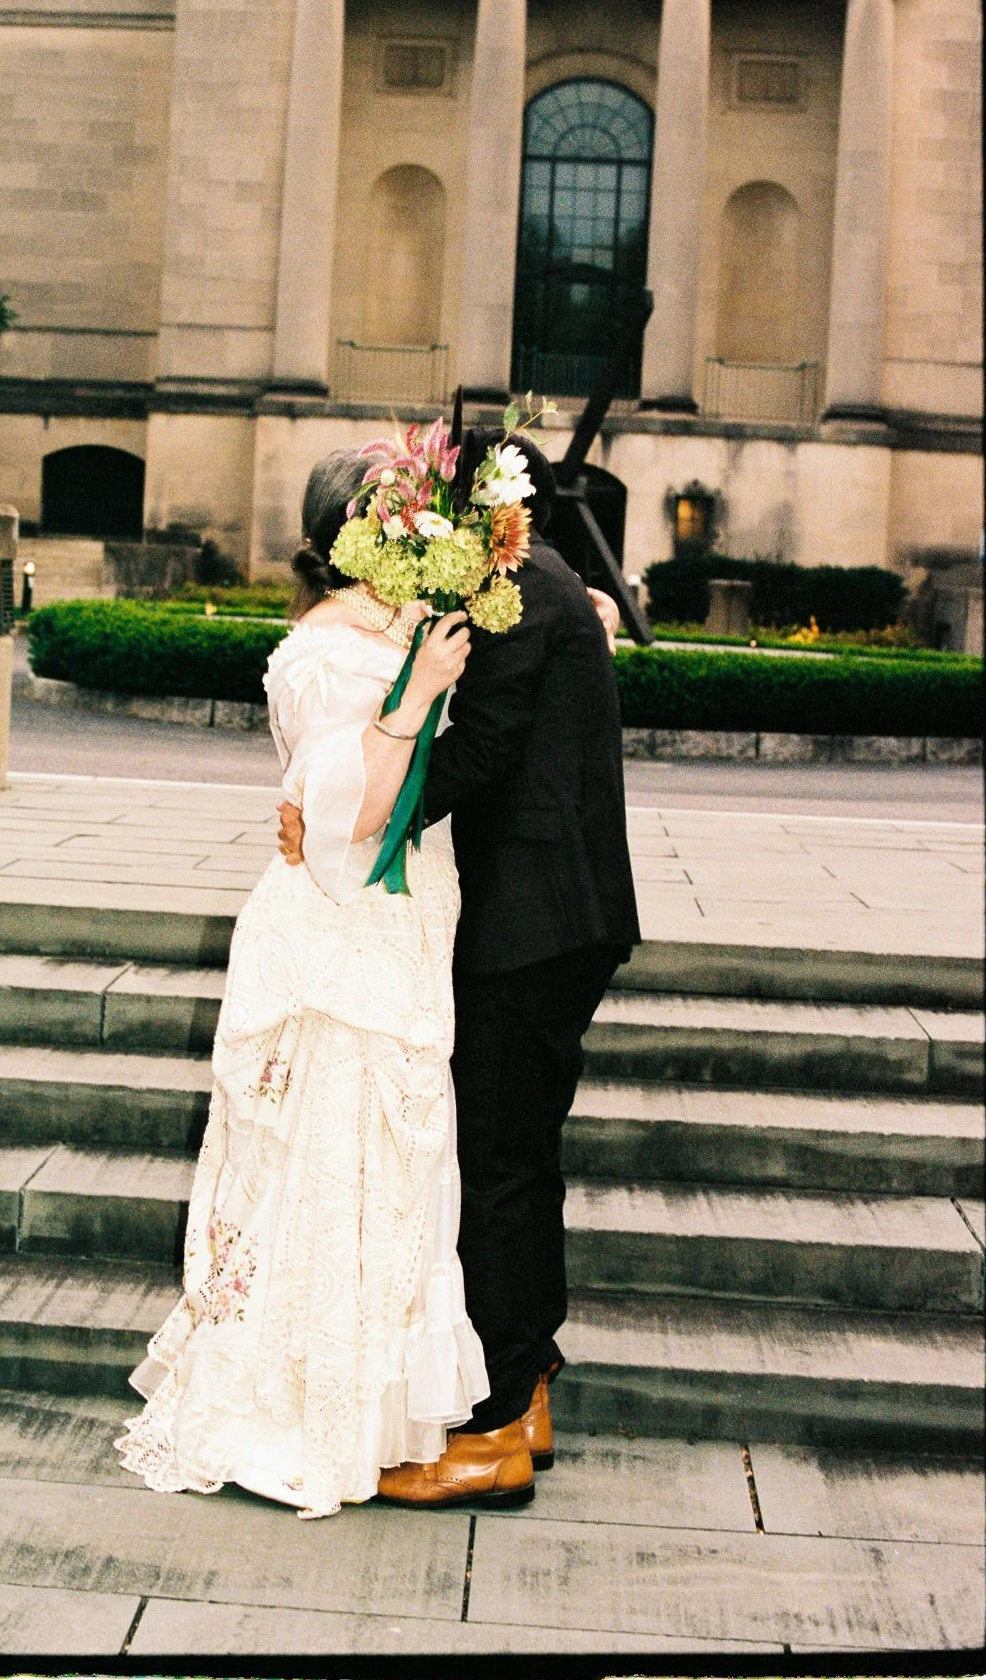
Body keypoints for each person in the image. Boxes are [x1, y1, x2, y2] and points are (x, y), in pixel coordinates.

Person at [117, 449, 500, 1520]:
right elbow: (345, 814)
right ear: (349, 535)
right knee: (328, 1153)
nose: (420, 536)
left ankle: (374, 1408)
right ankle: (297, 1409)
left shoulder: (399, 629)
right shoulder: (325, 651)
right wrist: (416, 694)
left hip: (401, 921)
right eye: (398, 518)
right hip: (337, 936)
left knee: (393, 1159)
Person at [278, 429, 639, 1508]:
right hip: (552, 913)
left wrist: (352, 822)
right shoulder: (530, 577)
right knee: (515, 1152)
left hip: (532, 920)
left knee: (496, 1163)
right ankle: (527, 1384)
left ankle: (495, 1431)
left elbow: (474, 750)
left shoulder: (516, 586)